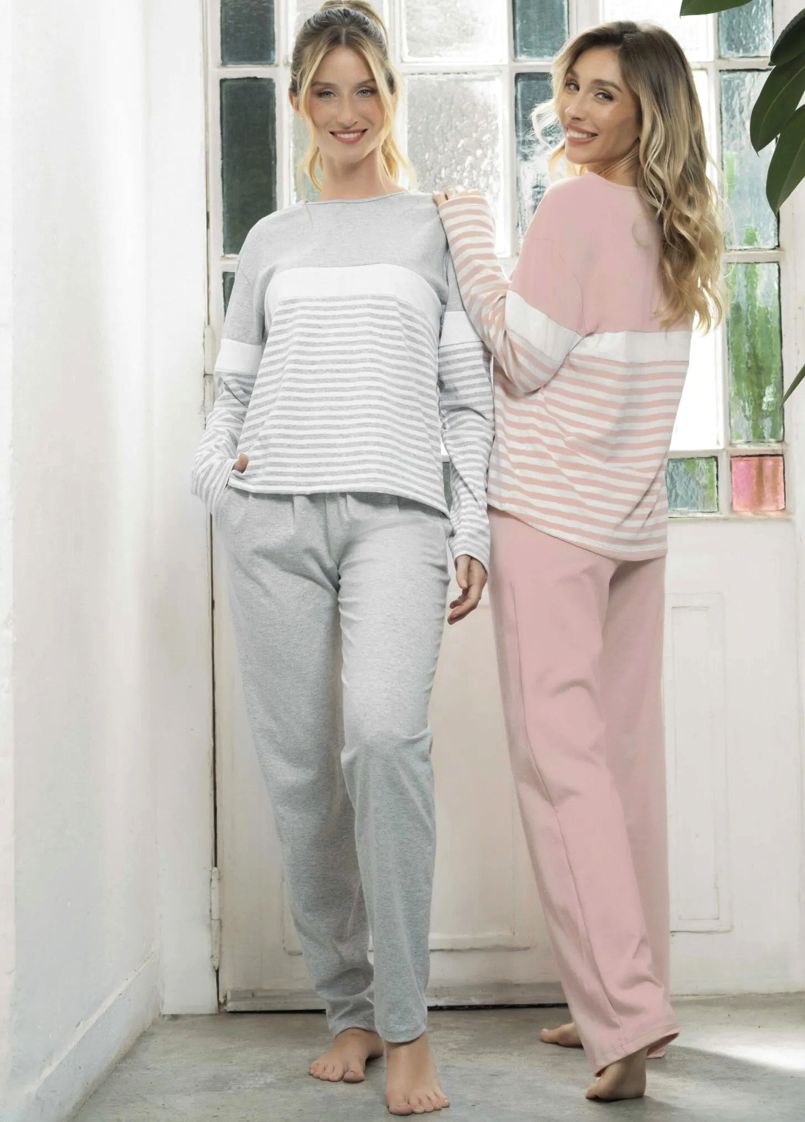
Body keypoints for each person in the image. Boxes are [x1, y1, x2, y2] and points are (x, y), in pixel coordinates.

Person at [191, 2, 492, 1114]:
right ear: (298, 102)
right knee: (301, 774)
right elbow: (230, 392)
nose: (347, 110)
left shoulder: (430, 229)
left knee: (383, 741)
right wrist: (219, 481)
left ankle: (407, 1028)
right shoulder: (272, 238)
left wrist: (471, 526)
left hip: (397, 519)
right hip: (270, 522)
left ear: (391, 98)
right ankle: (349, 1011)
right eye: (326, 89)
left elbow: (466, 400)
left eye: (366, 88)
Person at [435, 20, 723, 1103]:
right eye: (572, 87)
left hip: (551, 518)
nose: (577, 109)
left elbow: (519, 356)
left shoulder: (576, 206)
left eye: (605, 94)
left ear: (648, 110)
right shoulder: (668, 219)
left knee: (561, 771)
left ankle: (625, 1017)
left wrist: (467, 231)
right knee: (621, 763)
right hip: (629, 523)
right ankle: (625, 998)